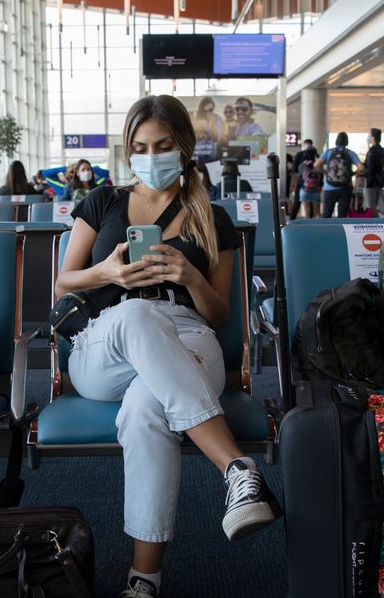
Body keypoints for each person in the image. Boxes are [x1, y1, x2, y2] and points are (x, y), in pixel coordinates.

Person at [55, 95, 281, 598]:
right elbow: (63, 284)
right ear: (127, 150)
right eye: (139, 146)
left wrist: (191, 277)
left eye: (161, 145)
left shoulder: (212, 217)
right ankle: (237, 467)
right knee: (137, 312)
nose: (150, 155)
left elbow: (219, 315)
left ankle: (144, 579)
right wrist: (107, 272)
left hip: (187, 334)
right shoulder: (102, 202)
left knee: (145, 407)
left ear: (182, 147)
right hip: (106, 341)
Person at [317, 132, 361, 218]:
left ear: (336, 142)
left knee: (326, 215)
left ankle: (325, 231)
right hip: (345, 188)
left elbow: (316, 165)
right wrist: (352, 174)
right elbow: (361, 168)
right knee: (342, 216)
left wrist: (326, 172)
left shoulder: (329, 152)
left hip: (329, 187)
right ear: (346, 142)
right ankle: (340, 231)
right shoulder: (350, 153)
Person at [362, 128, 384, 216]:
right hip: (380, 181)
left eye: (369, 135)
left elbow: (370, 168)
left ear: (373, 137)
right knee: (375, 205)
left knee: (371, 206)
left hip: (371, 182)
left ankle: (373, 225)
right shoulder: (382, 150)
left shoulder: (372, 151)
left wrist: (363, 171)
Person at [193, 97, 226, 162]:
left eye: (210, 110)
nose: (208, 113)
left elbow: (217, 138)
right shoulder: (198, 120)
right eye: (205, 111)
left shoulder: (218, 118)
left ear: (213, 109)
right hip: (199, 154)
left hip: (212, 154)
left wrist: (211, 123)